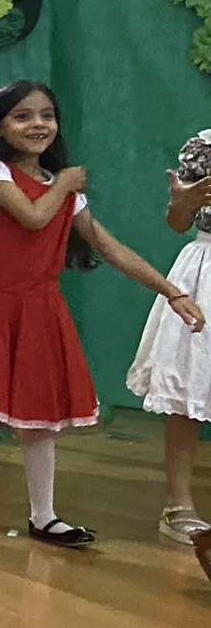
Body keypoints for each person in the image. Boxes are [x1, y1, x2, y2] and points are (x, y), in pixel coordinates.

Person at [0, 81, 205, 546]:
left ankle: (44, 516)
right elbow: (32, 217)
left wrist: (171, 291)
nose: (38, 124)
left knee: (40, 415)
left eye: (47, 115)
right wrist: (64, 183)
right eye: (22, 116)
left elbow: (109, 247)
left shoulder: (64, 190)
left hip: (38, 307)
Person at [126, 134, 211, 545]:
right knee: (187, 389)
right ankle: (179, 505)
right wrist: (184, 202)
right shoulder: (204, 148)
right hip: (205, 274)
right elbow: (178, 222)